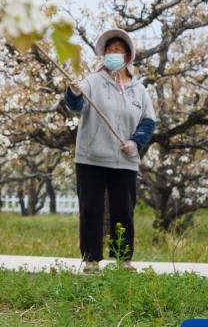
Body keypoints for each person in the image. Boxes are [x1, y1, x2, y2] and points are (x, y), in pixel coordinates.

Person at [64, 29, 156, 273]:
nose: (112, 54)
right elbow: (76, 105)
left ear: (127, 56)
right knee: (91, 209)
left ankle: (122, 259)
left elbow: (148, 122)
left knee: (123, 210)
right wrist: (73, 92)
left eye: (117, 50)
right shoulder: (93, 81)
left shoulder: (139, 90)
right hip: (91, 157)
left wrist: (136, 142)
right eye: (109, 50)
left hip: (125, 159)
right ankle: (91, 259)